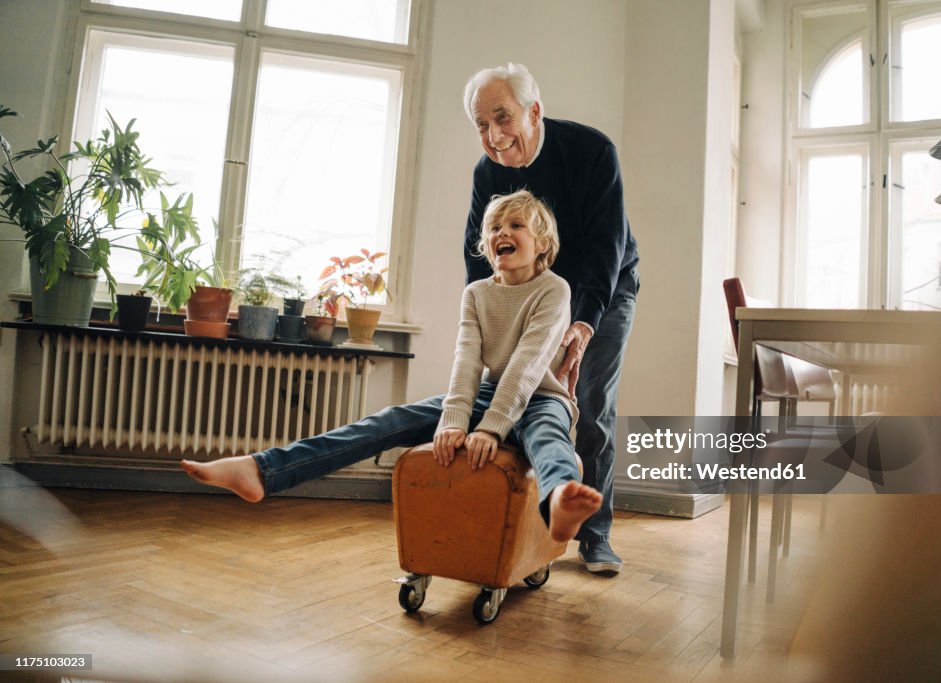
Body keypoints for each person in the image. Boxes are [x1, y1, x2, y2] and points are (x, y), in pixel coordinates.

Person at [181, 190, 603, 544]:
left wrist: (491, 428)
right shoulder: (476, 293)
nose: (502, 234)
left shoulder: (554, 289)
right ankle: (262, 469)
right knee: (392, 418)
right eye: (495, 228)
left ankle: (560, 500)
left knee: (548, 438)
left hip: (544, 397)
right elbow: (467, 361)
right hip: (493, 394)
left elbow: (529, 365)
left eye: (515, 226)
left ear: (542, 243)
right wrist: (455, 420)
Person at [463, 63, 639, 574]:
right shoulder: (487, 171)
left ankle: (595, 534)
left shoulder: (593, 152)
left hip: (600, 290)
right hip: (526, 292)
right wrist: (476, 325)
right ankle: (527, 526)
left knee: (587, 403)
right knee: (514, 397)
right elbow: (477, 257)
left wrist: (582, 324)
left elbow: (606, 248)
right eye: (481, 125)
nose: (493, 137)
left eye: (502, 118)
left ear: (534, 112)